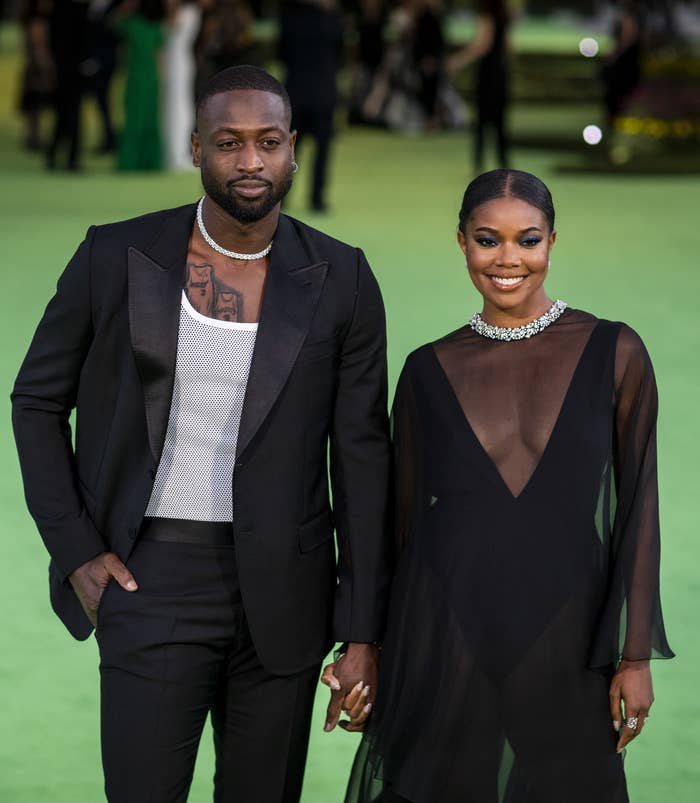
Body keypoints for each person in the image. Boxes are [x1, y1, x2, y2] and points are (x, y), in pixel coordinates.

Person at [12, 65, 390, 803]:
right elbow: (35, 401)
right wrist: (79, 550)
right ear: (195, 147)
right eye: (229, 142)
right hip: (150, 576)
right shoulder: (115, 257)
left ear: (293, 151)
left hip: (287, 591)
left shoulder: (341, 278)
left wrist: (363, 630)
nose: (251, 161)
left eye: (268, 142)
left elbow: (363, 459)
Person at [333, 169, 674, 803]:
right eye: (488, 240)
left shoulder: (616, 353)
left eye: (529, 239)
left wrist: (634, 658)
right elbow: (397, 528)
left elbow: (639, 509)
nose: (509, 259)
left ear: (552, 242)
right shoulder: (428, 370)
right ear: (461, 241)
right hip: (446, 631)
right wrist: (365, 647)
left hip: (570, 638)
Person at [279, 0, 344, 212]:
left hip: (295, 90)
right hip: (323, 91)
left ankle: (282, 197)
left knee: (288, 149)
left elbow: (283, 54)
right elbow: (340, 54)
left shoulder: (289, 15)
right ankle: (317, 199)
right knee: (323, 148)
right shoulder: (331, 18)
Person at [449, 0, 512, 170]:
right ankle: (504, 163)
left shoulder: (486, 16)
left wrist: (457, 61)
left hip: (487, 75)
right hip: (500, 74)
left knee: (482, 120)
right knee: (499, 122)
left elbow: (482, 45)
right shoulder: (504, 16)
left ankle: (478, 164)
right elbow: (508, 46)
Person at [115, 0, 165, 171]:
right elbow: (159, 57)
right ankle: (151, 163)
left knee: (134, 119)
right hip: (151, 77)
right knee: (150, 120)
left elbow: (113, 23)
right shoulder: (156, 27)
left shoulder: (132, 25)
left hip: (135, 76)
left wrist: (126, 7)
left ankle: (129, 163)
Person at [162, 0, 201, 170]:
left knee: (182, 108)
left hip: (181, 66)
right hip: (168, 66)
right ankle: (169, 153)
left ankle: (180, 154)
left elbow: (174, 29)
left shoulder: (190, 12)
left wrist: (172, 10)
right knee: (168, 109)